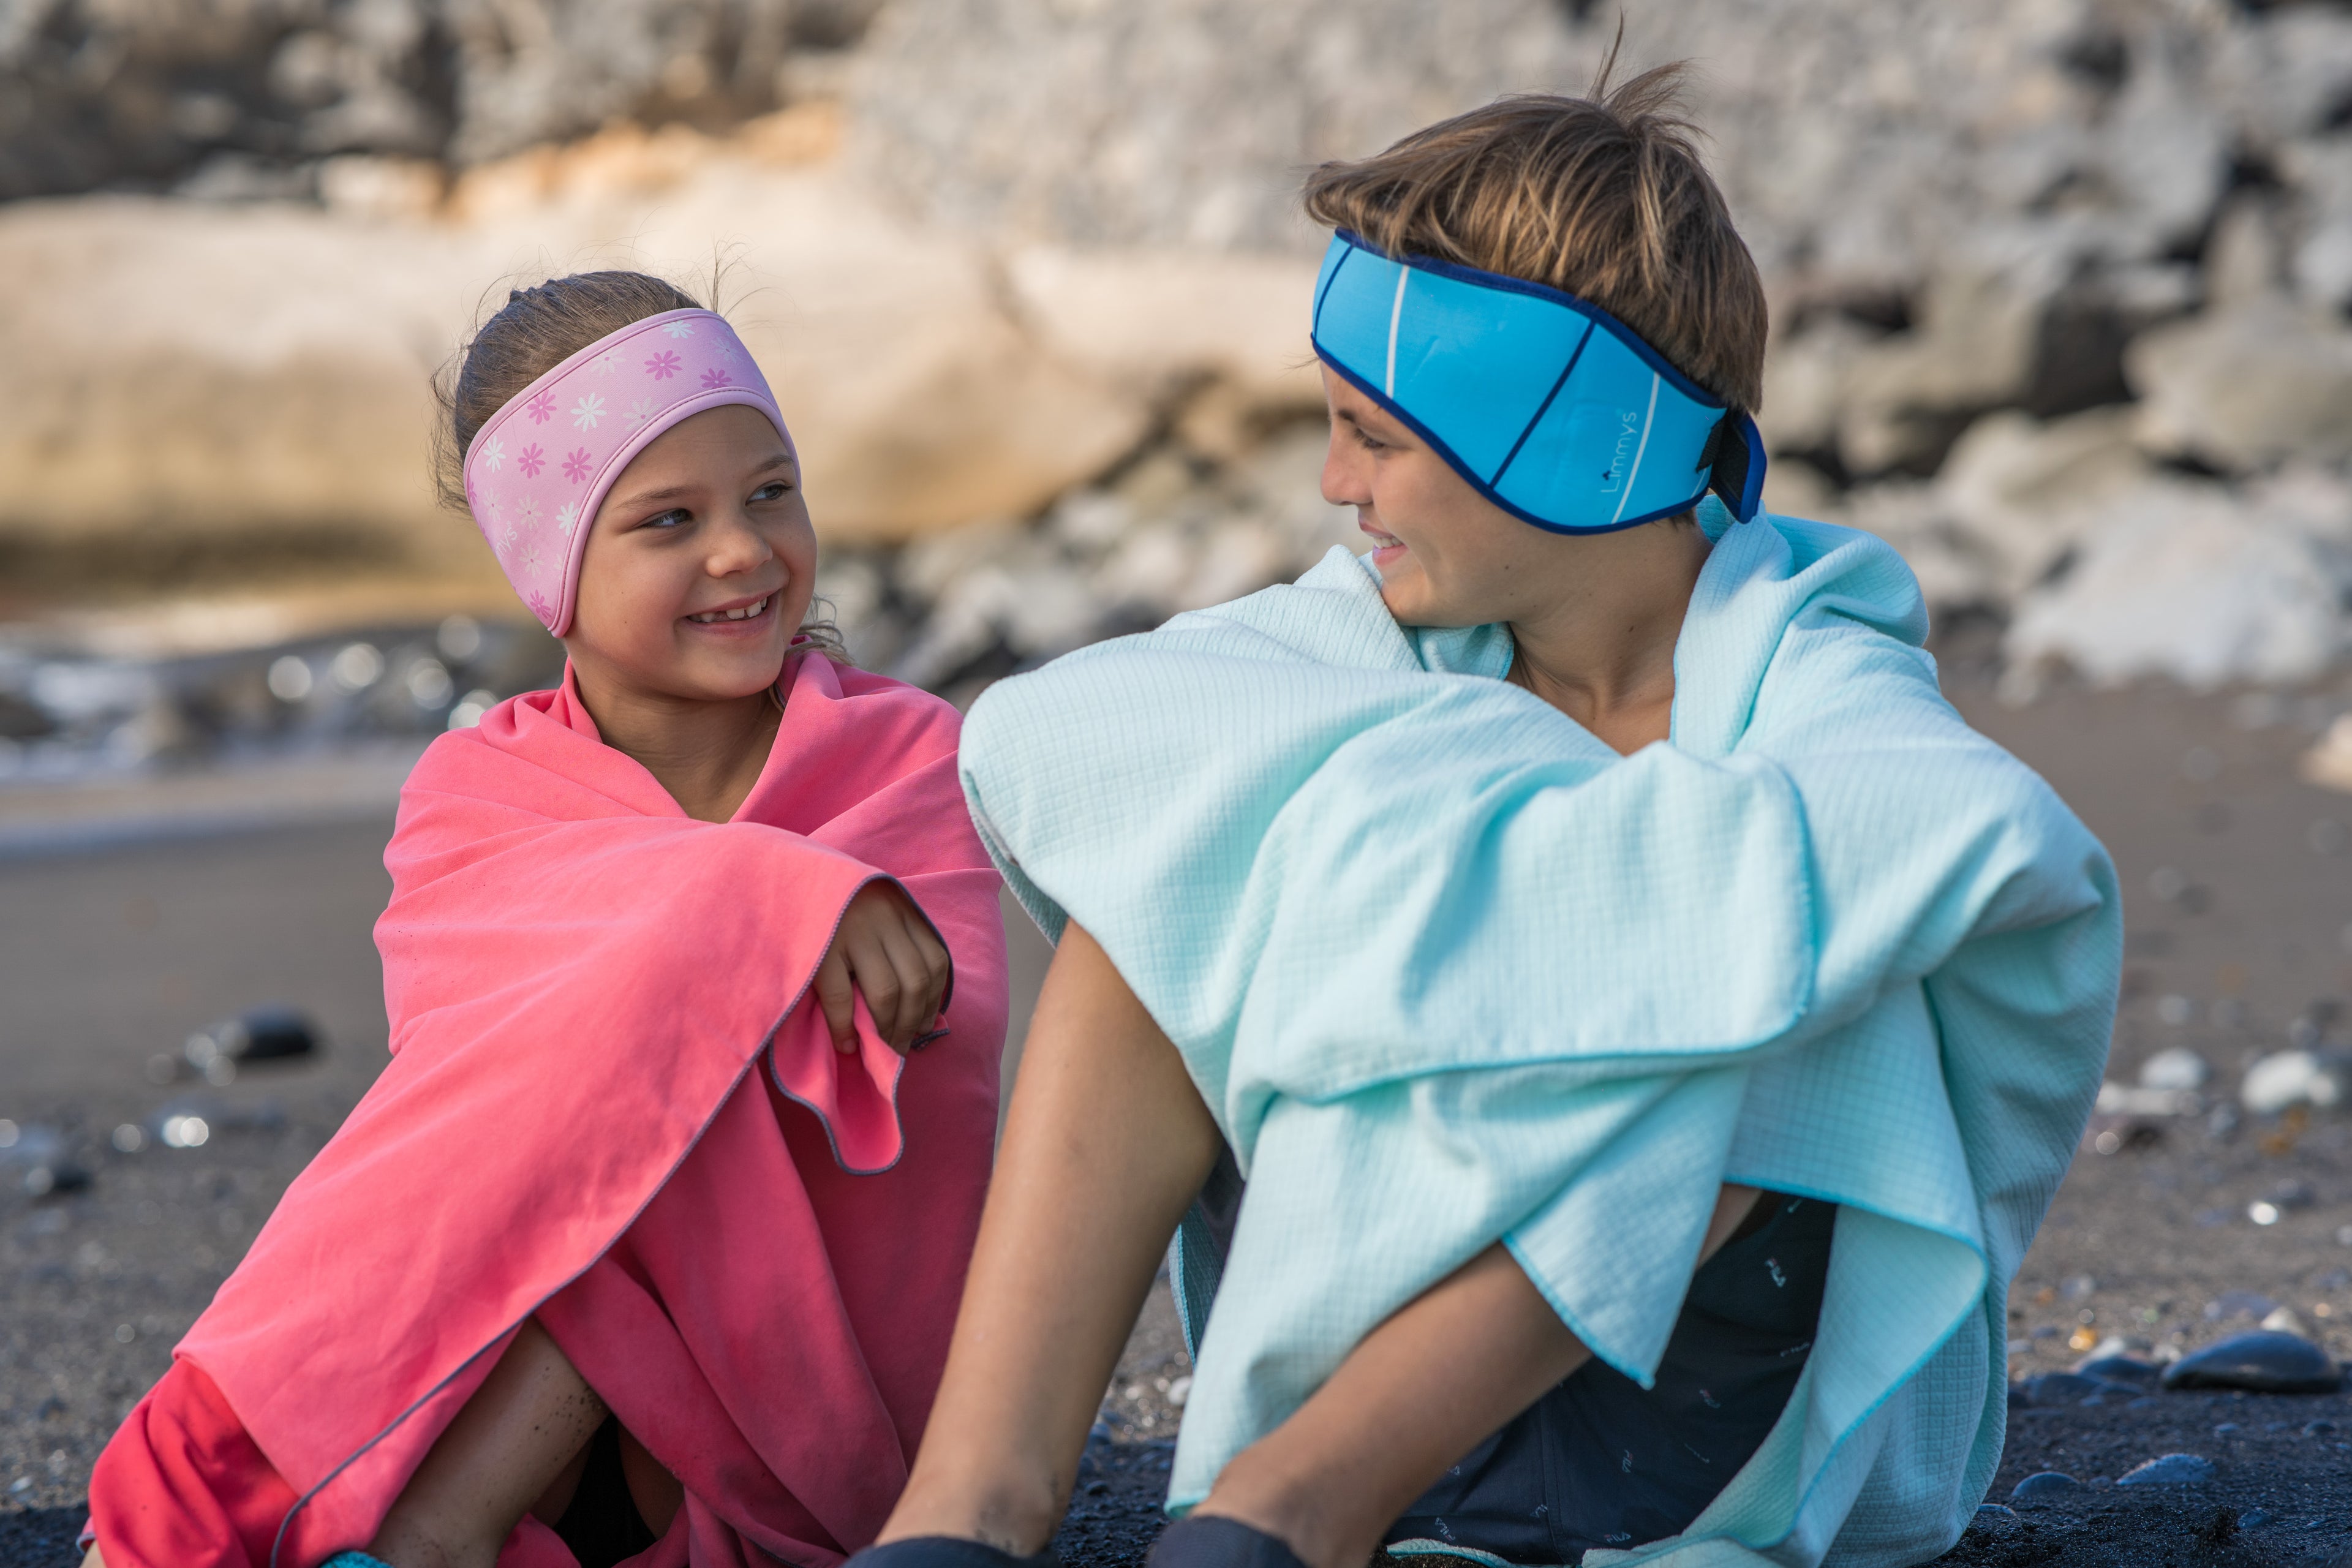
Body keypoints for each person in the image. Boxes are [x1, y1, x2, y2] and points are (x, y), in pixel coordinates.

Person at [859, 66, 2119, 1568]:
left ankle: (1288, 1511)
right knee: (1167, 880)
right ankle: (968, 1512)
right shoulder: (1381, 646)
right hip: (1396, 1310)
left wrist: (1504, 859)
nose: (1335, 483)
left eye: (1374, 437)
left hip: (1679, 1424)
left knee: (1797, 965)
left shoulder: (1814, 674)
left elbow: (1984, 830)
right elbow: (1074, 737)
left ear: (1571, 444)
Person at [81, 273, 1008, 1568]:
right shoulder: (476, 797)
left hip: (811, 1404)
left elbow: (937, 1068)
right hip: (497, 1396)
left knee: (662, 1114)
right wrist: (776, 898)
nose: (743, 551)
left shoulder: (904, 754)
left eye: (771, 490)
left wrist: (752, 937)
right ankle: (264, 1489)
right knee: (577, 1121)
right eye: (667, 519)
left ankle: (424, 1545)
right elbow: (488, 1130)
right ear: (550, 566)